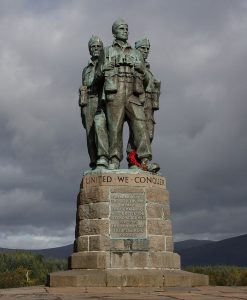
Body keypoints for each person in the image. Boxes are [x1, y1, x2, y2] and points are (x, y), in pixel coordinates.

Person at [96, 18, 159, 172]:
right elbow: (97, 77)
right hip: (115, 93)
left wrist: (142, 70)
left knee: (140, 125)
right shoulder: (107, 51)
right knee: (114, 128)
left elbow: (145, 82)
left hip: (133, 94)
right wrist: (104, 68)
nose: (125, 31)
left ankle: (144, 160)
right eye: (121, 29)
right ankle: (114, 159)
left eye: (126, 29)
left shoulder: (136, 53)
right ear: (114, 32)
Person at [127, 38, 161, 168]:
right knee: (138, 131)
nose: (146, 51)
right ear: (136, 50)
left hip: (149, 102)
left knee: (149, 133)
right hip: (136, 99)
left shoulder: (147, 67)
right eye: (143, 48)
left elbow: (152, 84)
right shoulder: (133, 64)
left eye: (147, 49)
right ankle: (134, 160)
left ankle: (137, 160)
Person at [79, 36, 109, 169]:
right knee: (90, 134)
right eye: (93, 47)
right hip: (88, 102)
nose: (96, 49)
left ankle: (104, 158)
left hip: (101, 100)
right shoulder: (86, 69)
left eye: (98, 46)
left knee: (100, 128)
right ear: (89, 50)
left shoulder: (105, 64)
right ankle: (94, 161)